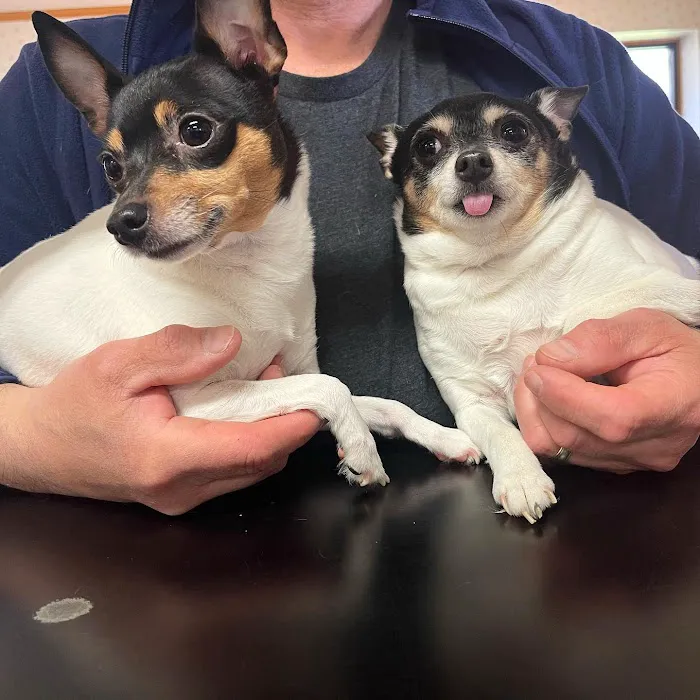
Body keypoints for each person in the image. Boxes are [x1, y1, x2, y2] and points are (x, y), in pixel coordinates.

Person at [0, 0, 699, 513]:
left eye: (194, 132)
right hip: (133, 586)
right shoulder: (43, 94)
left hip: (589, 555)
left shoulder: (575, 59)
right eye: (117, 169)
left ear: (254, 53)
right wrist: (35, 440)